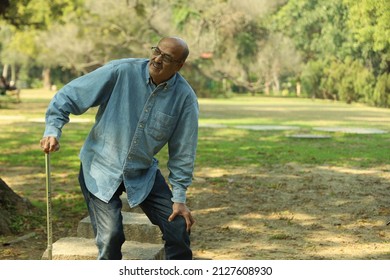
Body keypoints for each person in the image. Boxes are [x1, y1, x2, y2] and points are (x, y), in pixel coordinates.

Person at [40, 37, 198, 260]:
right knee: (111, 237)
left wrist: (179, 198)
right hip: (100, 168)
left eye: (167, 57)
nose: (157, 59)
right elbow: (68, 96)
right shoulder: (121, 71)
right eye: (157, 51)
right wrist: (53, 129)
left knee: (178, 228)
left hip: (142, 172)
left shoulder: (185, 98)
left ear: (179, 65)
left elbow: (183, 151)